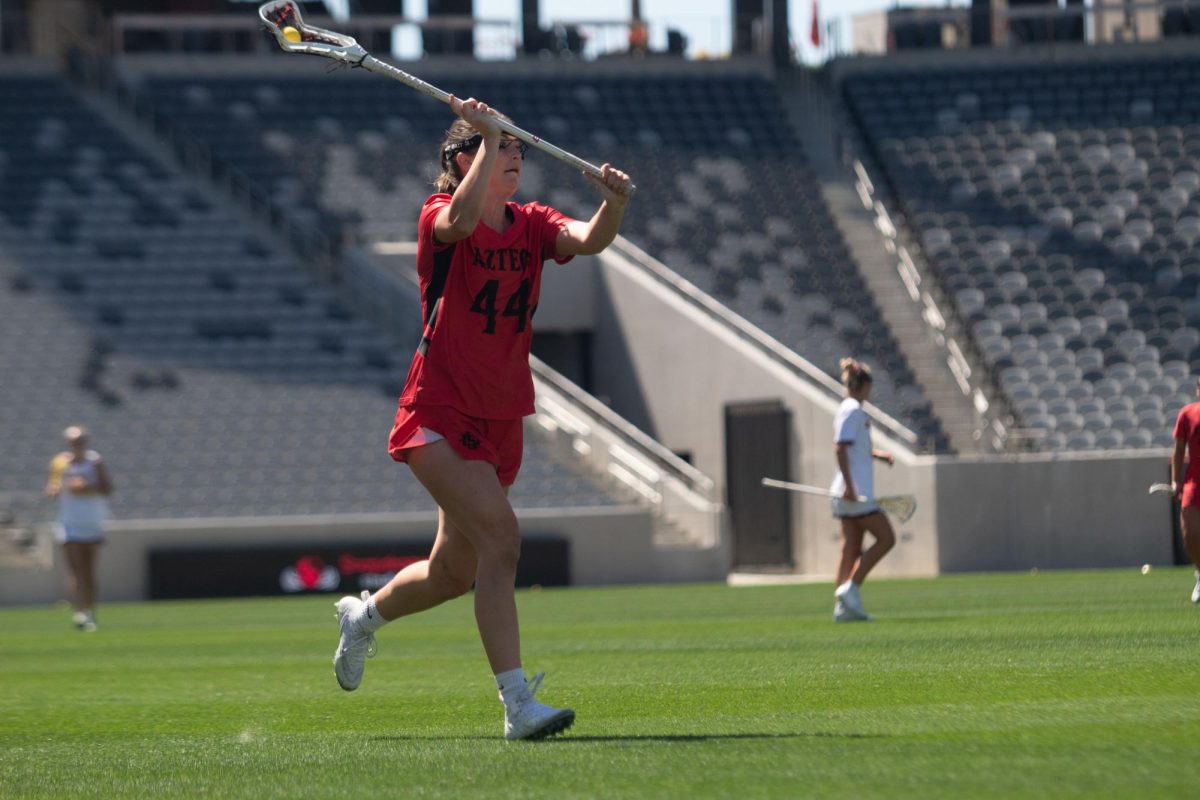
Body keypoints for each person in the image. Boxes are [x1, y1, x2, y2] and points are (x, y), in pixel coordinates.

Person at [330, 96, 632, 740]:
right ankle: (517, 704)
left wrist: (616, 203)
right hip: (436, 409)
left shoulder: (531, 222)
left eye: (518, 146)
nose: (515, 154)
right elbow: (463, 222)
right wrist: (489, 137)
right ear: (463, 159)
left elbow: (589, 238)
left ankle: (364, 618)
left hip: (502, 415)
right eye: (500, 146)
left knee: (452, 573)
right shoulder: (440, 213)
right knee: (503, 541)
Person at [829, 358, 895, 622]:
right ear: (863, 386)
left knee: (851, 547)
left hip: (849, 492)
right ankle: (850, 588)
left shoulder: (850, 409)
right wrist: (850, 487)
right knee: (886, 538)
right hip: (854, 493)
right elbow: (840, 447)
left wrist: (877, 455)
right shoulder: (853, 409)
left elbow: (854, 448)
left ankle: (843, 609)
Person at [44, 425, 113, 632]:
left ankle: (90, 611)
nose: (77, 445)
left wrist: (85, 488)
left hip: (91, 521)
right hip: (70, 522)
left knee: (89, 571)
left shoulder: (95, 461)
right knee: (75, 569)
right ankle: (80, 611)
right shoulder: (60, 463)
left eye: (81, 441)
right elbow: (52, 489)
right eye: (74, 442)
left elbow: (107, 488)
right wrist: (56, 489)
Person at [1170, 377, 1200, 603]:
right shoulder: (1187, 413)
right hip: (1194, 481)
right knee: (1190, 533)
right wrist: (1175, 481)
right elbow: (1179, 450)